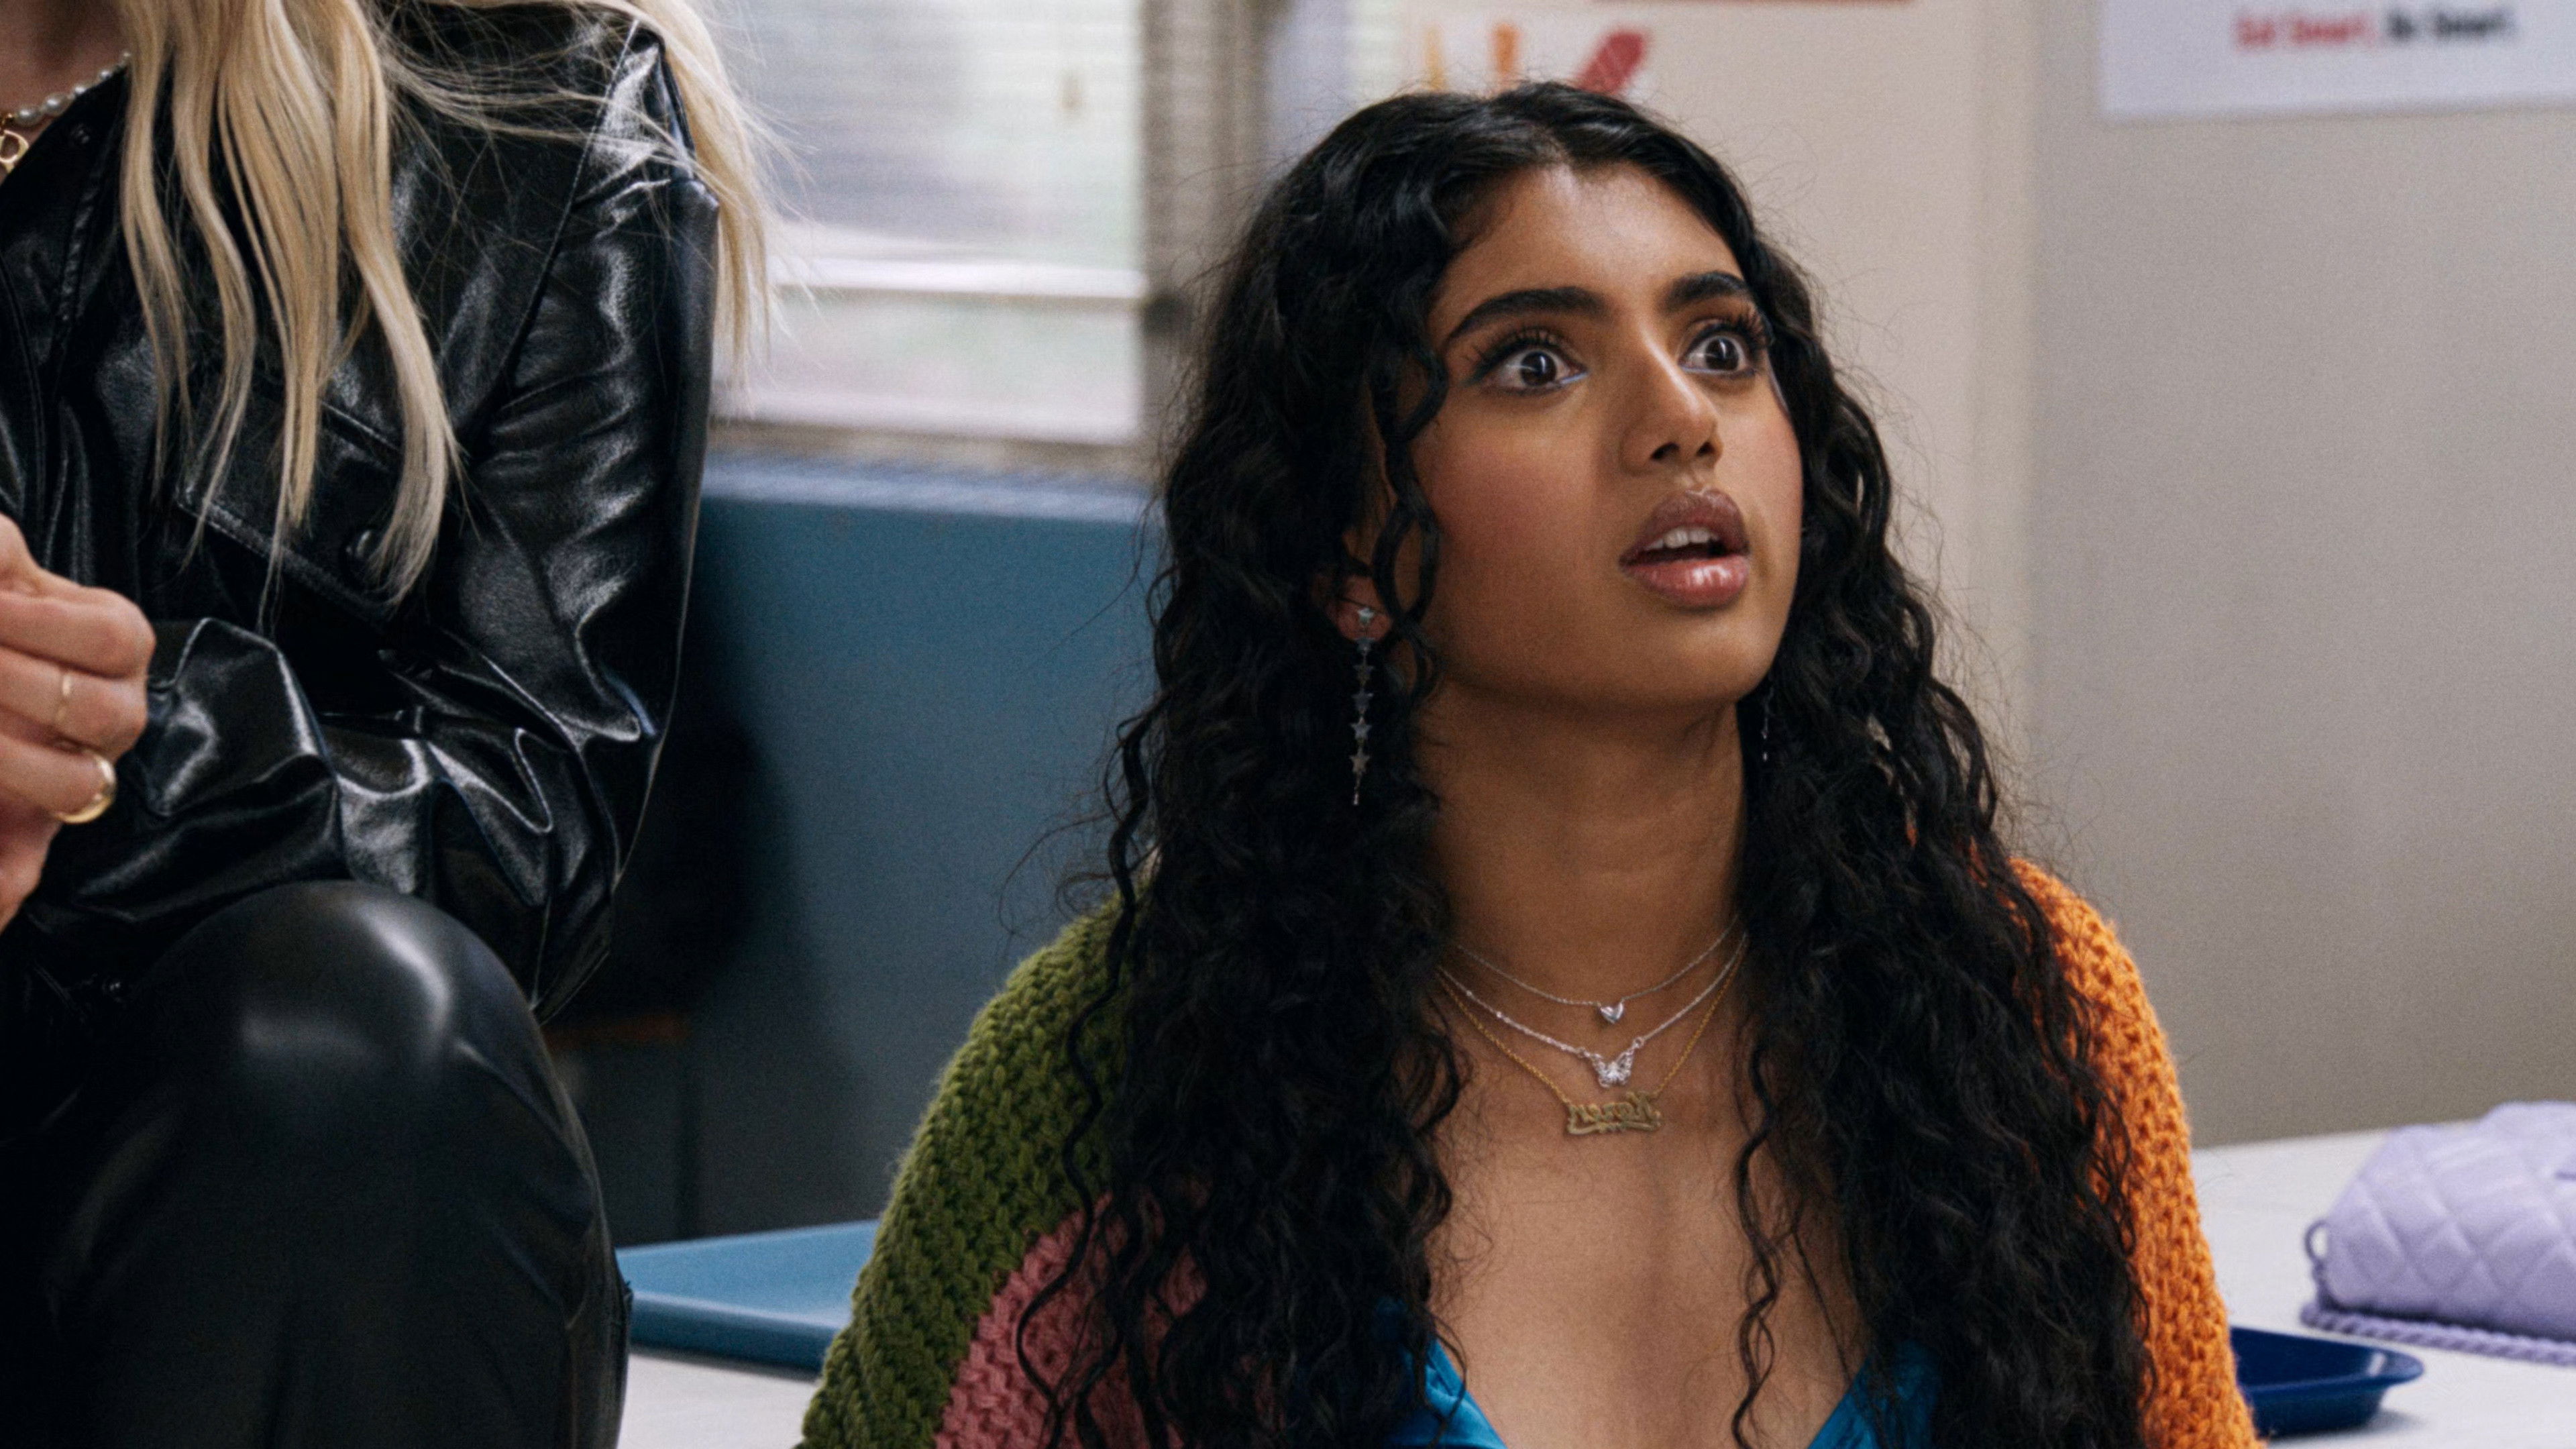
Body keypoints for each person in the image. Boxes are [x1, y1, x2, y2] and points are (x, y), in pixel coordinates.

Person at [804, 83, 2262, 1449]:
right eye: (1536, 364)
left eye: (1722, 347)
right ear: (1347, 551)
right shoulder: (1123, 1074)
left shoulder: (2019, 1010)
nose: (1681, 420)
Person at [0, 0, 763, 1444]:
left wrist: (108, 744)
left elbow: (521, 840)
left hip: (231, 1217)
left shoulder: (526, 120)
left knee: (354, 1026)